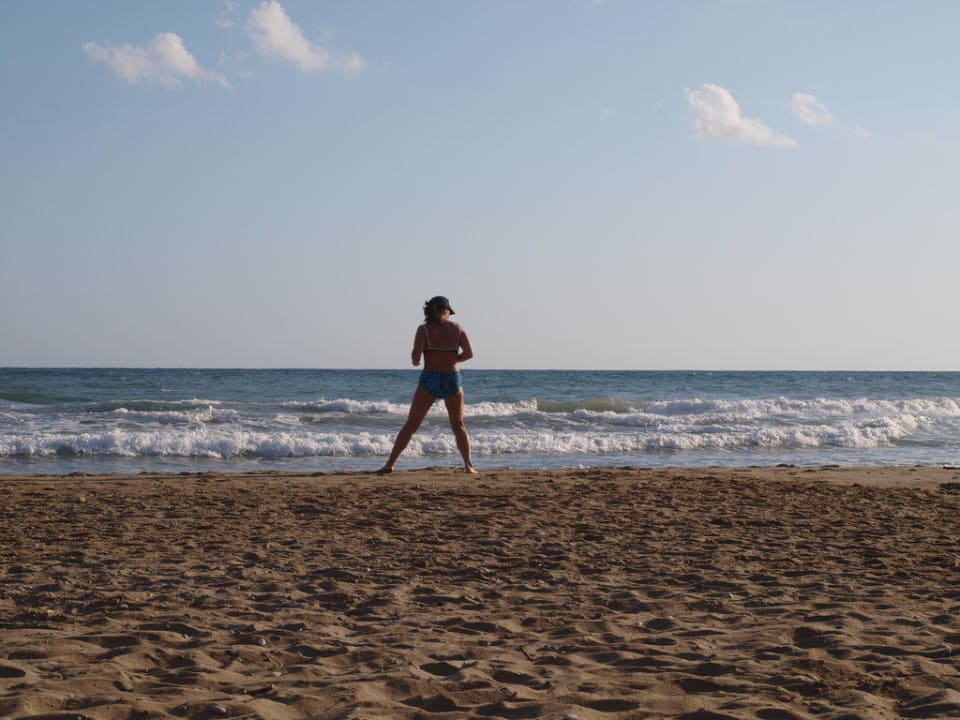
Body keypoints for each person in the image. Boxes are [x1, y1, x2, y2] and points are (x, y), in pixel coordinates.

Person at [376, 296, 478, 474]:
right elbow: (469, 353)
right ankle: (468, 466)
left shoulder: (423, 330)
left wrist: (417, 359)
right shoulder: (457, 328)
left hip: (430, 378)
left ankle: (389, 464)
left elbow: (416, 357)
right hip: (451, 378)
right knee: (458, 425)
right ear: (444, 310)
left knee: (411, 425)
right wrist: (454, 359)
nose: (450, 315)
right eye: (449, 311)